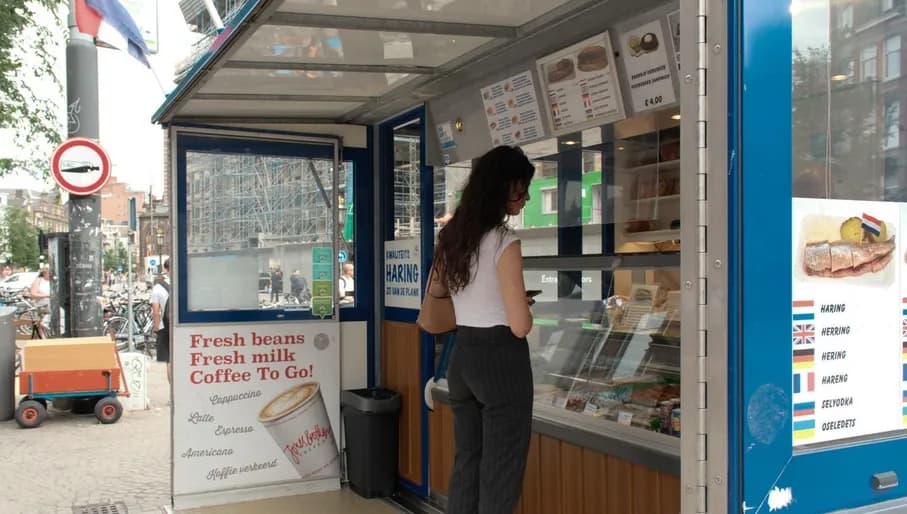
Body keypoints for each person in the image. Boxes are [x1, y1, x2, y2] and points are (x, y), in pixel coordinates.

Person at [427, 145, 535, 514]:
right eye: (521, 189)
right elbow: (520, 326)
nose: (525, 198)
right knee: (501, 470)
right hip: (501, 360)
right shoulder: (505, 242)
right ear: (502, 187)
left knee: (468, 461)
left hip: (463, 356)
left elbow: (438, 290)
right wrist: (519, 305)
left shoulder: (454, 237)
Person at [151, 259, 171, 383]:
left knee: (169, 361)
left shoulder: (158, 287)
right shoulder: (183, 282)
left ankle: (172, 394)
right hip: (181, 327)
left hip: (165, 327)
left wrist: (156, 327)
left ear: (165, 269)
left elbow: (155, 311)